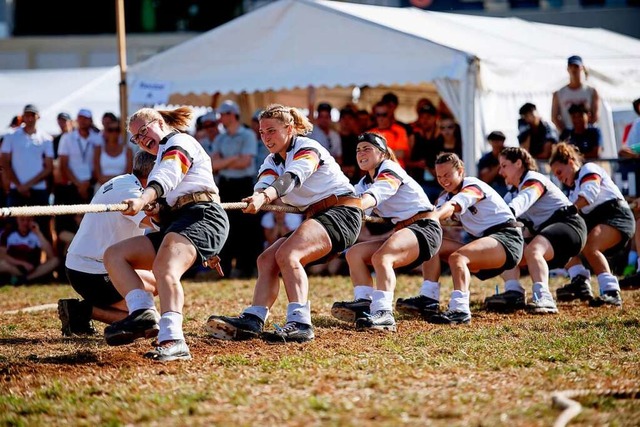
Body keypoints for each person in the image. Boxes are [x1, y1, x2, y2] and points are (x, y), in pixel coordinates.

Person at [205, 103, 362, 343]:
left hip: (342, 213)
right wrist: (258, 196)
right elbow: (265, 184)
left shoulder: (308, 148)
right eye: (262, 132)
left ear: (289, 129)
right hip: (318, 217)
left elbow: (291, 178)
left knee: (289, 254)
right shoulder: (271, 160)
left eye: (271, 130)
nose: (266, 137)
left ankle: (300, 322)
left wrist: (264, 197)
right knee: (266, 259)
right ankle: (254, 319)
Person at [102, 106, 229, 362]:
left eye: (143, 131)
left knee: (165, 269)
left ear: (158, 122)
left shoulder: (179, 142)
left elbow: (168, 175)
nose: (141, 140)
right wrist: (157, 210)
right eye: (136, 138)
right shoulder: (161, 154)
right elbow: (168, 197)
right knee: (115, 255)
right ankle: (142, 314)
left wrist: (143, 198)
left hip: (202, 215)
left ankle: (173, 340)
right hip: (180, 222)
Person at [330, 132, 442, 332]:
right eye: (358, 150)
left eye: (367, 148)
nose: (360, 153)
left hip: (425, 228)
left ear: (382, 154)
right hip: (405, 231)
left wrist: (359, 204)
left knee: (383, 257)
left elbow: (378, 193)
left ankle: (384, 313)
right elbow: (346, 200)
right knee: (355, 253)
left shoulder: (390, 168)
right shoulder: (364, 183)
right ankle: (365, 303)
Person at [398, 153, 524, 324]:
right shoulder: (444, 196)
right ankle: (429, 299)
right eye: (440, 176)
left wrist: (434, 217)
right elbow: (430, 213)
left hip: (507, 239)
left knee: (458, 258)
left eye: (448, 175)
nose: (443, 180)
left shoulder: (473, 185)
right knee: (432, 244)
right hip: (486, 243)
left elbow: (451, 207)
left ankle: (460, 310)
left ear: (461, 172)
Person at [57, 151, 158, 337]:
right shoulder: (132, 193)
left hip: (84, 266)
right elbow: (159, 224)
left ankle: (86, 309)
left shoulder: (124, 180)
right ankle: (81, 311)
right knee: (147, 321)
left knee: (158, 282)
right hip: (90, 272)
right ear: (154, 174)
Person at [484, 147, 587, 314]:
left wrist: (504, 215)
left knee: (534, 250)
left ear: (518, 163)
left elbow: (523, 200)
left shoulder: (534, 179)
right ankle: (514, 292)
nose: (500, 171)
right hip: (550, 236)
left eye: (504, 165)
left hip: (570, 227)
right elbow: (496, 214)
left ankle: (544, 297)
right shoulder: (512, 194)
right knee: (505, 250)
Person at [550, 143, 635, 307]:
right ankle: (579, 281)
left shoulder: (588, 169)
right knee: (566, 242)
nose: (559, 177)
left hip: (617, 216)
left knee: (590, 246)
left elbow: (590, 192)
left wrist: (571, 209)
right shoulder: (574, 192)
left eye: (559, 172)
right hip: (602, 220)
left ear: (570, 161)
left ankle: (611, 291)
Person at [211, 100, 262, 278]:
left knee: (246, 227)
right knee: (224, 224)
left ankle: (246, 268)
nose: (221, 118)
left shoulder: (248, 135)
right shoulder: (220, 138)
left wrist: (225, 161)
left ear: (232, 114)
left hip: (244, 185)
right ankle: (224, 268)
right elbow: (213, 164)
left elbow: (246, 162)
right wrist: (234, 158)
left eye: (223, 114)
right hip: (225, 185)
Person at [1, 104, 54, 243]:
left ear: (38, 117)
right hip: (16, 190)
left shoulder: (46, 138)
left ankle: (50, 262)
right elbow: (5, 162)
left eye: (32, 115)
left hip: (38, 191)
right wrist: (19, 186)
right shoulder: (11, 136)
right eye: (27, 115)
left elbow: (48, 167)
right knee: (11, 226)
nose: (30, 118)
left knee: (43, 226)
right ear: (23, 116)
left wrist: (26, 186)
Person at [2, 216, 59, 284]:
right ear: (17, 219)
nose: (25, 223)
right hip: (14, 267)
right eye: (22, 219)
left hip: (33, 269)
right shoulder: (8, 233)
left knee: (56, 261)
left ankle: (25, 279)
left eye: (28, 220)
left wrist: (38, 233)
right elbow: (2, 256)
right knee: (2, 264)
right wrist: (22, 263)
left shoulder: (36, 234)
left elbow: (51, 255)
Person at [551, 55, 600, 134]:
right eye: (571, 66)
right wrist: (565, 132)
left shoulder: (591, 91)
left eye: (576, 66)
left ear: (582, 68)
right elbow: (554, 117)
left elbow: (595, 115)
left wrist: (585, 131)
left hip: (587, 134)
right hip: (569, 134)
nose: (573, 69)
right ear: (567, 69)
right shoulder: (559, 93)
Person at [93, 119, 133, 189]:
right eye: (110, 130)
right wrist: (116, 179)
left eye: (117, 130)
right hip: (102, 188)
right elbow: (97, 174)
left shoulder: (128, 150)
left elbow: (128, 173)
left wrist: (108, 178)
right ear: (105, 132)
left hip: (122, 188)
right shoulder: (98, 150)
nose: (114, 133)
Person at [369, 101, 410, 168]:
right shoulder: (370, 133)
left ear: (390, 114)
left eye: (384, 115)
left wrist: (376, 154)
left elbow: (401, 153)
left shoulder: (399, 130)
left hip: (395, 172)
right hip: (377, 173)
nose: (381, 118)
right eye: (378, 115)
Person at [477, 130, 508, 197]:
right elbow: (485, 179)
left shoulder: (511, 155)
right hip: (493, 188)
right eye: (495, 141)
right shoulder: (486, 159)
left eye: (500, 141)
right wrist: (500, 164)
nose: (497, 144)